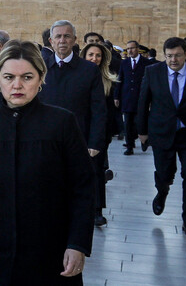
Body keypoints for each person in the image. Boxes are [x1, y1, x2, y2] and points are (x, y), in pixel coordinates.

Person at [0, 40, 96, 284]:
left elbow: (82, 188)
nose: (17, 85)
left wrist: (77, 244)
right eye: (9, 77)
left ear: (41, 78)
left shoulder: (62, 123)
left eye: (27, 77)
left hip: (49, 249)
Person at [137, 37, 186, 237]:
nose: (173, 60)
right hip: (162, 132)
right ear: (164, 55)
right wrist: (141, 132)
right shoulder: (153, 72)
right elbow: (143, 103)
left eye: (177, 55)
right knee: (164, 174)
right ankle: (162, 193)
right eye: (169, 56)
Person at [38, 20, 106, 226]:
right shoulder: (40, 68)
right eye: (57, 36)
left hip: (79, 139)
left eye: (67, 36)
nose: (62, 40)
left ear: (75, 40)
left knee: (78, 185)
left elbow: (98, 109)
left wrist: (95, 143)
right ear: (50, 40)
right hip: (46, 139)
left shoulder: (89, 70)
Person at [81, 42, 118, 227]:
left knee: (96, 171)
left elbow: (109, 111)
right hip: (80, 130)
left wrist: (104, 136)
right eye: (90, 55)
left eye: (98, 55)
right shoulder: (78, 76)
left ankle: (97, 211)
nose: (94, 59)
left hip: (98, 132)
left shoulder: (107, 79)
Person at [115, 40, 152, 155]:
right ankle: (130, 146)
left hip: (141, 98)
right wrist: (116, 96)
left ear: (138, 49)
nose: (130, 51)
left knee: (141, 121)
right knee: (128, 124)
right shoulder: (124, 63)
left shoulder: (146, 63)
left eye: (132, 48)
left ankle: (143, 140)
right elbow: (120, 79)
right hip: (127, 97)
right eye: (128, 49)